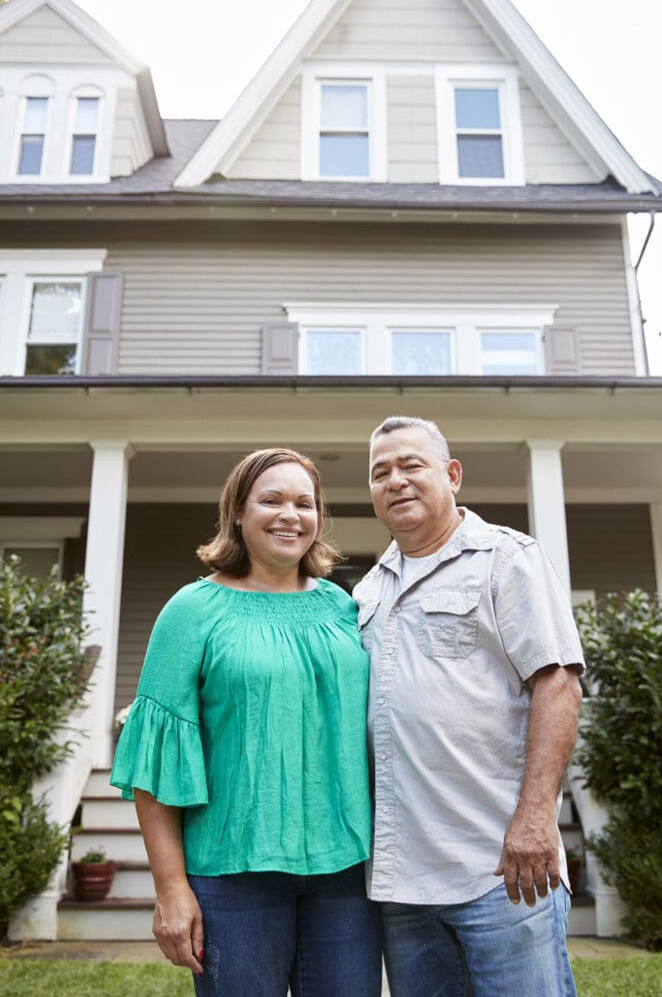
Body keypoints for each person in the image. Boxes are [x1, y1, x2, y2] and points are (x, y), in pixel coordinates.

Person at [111, 448, 382, 997]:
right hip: (232, 874)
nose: (291, 515)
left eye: (305, 503)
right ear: (238, 511)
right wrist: (170, 889)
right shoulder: (192, 610)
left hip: (346, 874)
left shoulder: (344, 608)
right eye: (272, 500)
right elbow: (155, 764)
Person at [353, 416, 584, 997]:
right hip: (402, 881)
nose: (396, 481)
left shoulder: (506, 560)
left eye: (412, 466)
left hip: (502, 868)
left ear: (452, 475)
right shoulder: (367, 592)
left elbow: (557, 684)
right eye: (381, 472)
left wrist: (536, 819)